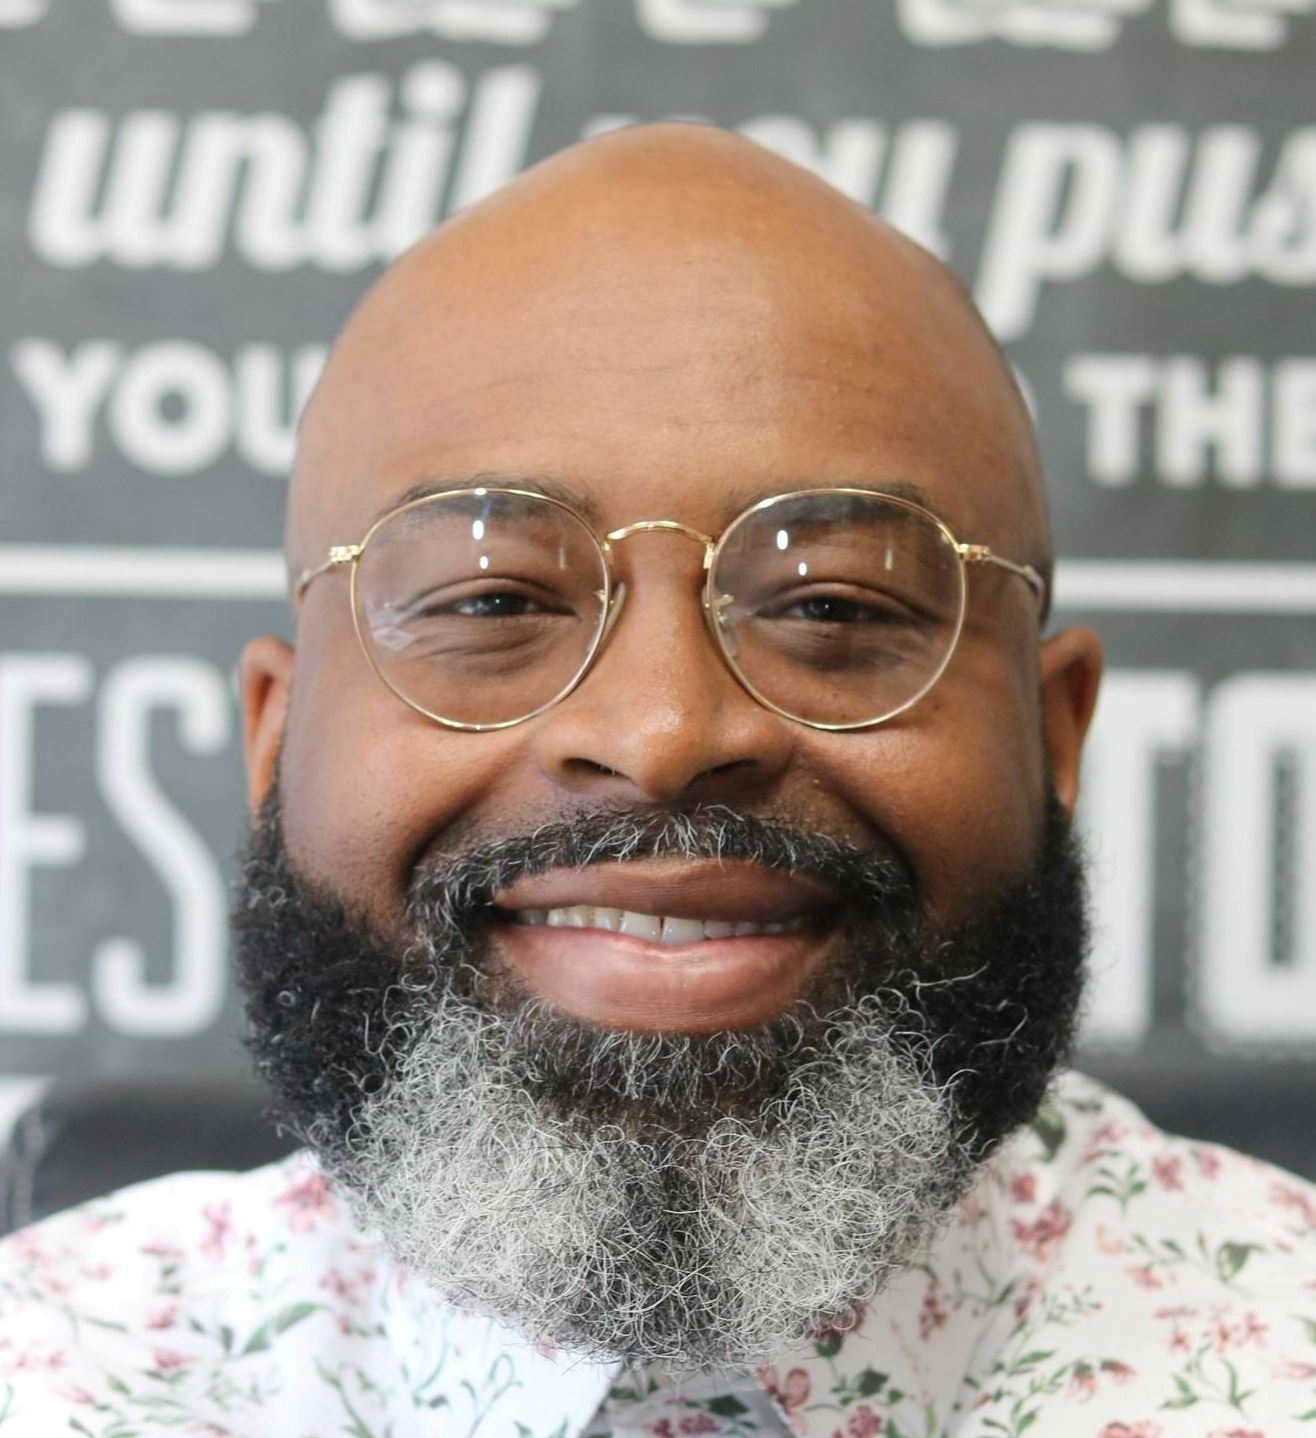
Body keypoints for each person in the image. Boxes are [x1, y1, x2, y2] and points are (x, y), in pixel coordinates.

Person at [1, 122, 1313, 1438]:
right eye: (494, 595)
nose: (667, 728)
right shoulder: (56, 1376)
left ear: (1054, 735)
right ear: (277, 742)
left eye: (833, 603)